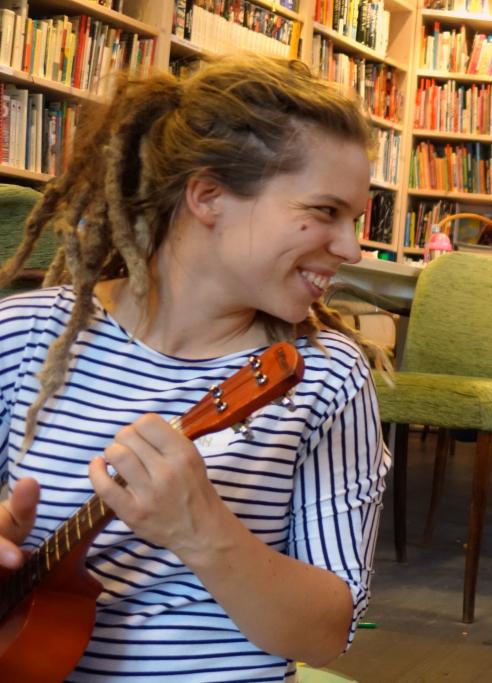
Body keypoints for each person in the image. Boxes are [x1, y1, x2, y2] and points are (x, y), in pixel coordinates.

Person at [0, 55, 390, 681]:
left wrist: (203, 529)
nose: (351, 248)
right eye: (325, 212)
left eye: (355, 221)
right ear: (208, 196)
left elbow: (325, 636)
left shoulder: (326, 377)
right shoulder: (23, 336)